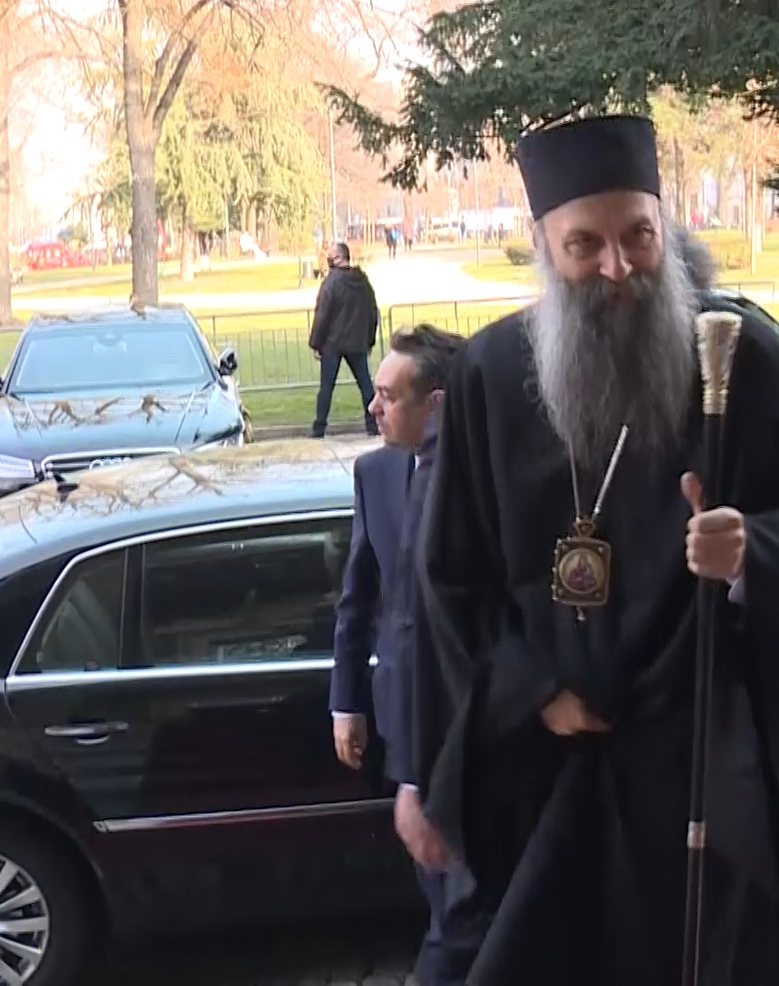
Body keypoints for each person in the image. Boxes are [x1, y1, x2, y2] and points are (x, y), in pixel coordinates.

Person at [407, 114, 779, 986]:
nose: (617, 266)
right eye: (584, 245)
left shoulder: (732, 356)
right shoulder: (489, 375)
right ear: (544, 247)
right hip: (546, 767)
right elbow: (449, 576)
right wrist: (531, 690)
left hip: (697, 764)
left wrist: (754, 551)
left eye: (638, 235)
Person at [329, 323, 466, 986]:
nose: (372, 407)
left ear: (435, 404)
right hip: (402, 726)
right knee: (441, 901)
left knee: (464, 924)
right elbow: (359, 596)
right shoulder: (375, 472)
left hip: (468, 732)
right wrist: (347, 701)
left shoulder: (482, 484)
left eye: (387, 396)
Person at [308, 241, 380, 438]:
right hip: (357, 343)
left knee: (326, 388)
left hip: (332, 344)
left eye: (331, 255)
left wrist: (316, 343)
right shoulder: (363, 282)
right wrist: (369, 340)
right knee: (365, 385)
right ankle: (373, 425)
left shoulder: (331, 283)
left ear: (339, 257)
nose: (328, 258)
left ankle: (319, 428)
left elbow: (322, 315)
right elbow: (373, 313)